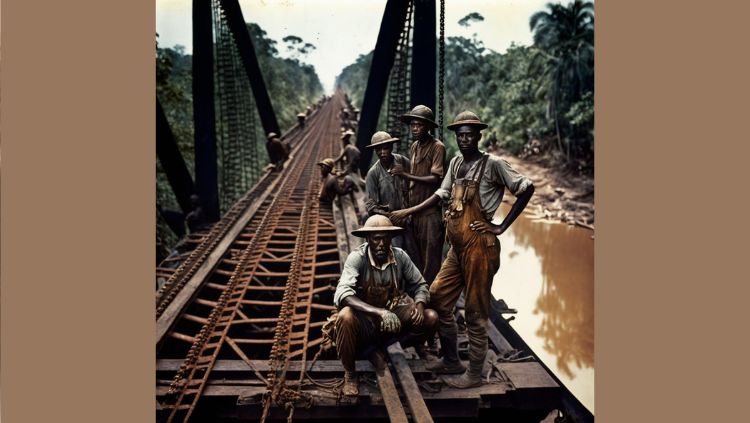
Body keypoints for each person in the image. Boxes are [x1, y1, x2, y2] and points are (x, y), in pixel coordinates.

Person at [390, 111, 535, 388]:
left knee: (475, 311)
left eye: (470, 134)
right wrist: (410, 209)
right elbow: (443, 193)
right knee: (438, 297)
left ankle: (475, 374)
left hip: (480, 248)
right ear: (456, 137)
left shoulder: (493, 165)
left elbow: (526, 188)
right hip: (456, 248)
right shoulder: (456, 163)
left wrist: (501, 226)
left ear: (479, 135)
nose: (465, 139)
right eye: (460, 135)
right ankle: (452, 360)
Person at [332, 215, 438, 396]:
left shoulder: (400, 256)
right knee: (345, 317)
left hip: (392, 315)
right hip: (365, 320)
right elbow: (342, 295)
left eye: (385, 238)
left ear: (391, 238)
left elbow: (420, 285)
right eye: (376, 238)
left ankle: (393, 348)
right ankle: (350, 374)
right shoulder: (357, 258)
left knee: (430, 317)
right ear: (368, 239)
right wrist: (378, 312)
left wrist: (419, 306)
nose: (381, 243)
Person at [389, 105, 447, 286]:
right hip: (414, 212)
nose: (414, 128)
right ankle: (420, 293)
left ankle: (432, 300)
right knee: (417, 256)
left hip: (429, 213)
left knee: (431, 259)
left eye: (419, 125)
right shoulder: (414, 146)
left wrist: (405, 174)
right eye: (412, 125)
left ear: (428, 127)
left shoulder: (437, 147)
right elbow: (415, 178)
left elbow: (435, 179)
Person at [363, 131, 418, 257]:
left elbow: (415, 183)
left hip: (408, 218)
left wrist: (407, 212)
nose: (382, 152)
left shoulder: (403, 161)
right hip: (389, 223)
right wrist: (391, 216)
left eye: (385, 148)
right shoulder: (373, 173)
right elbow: (371, 206)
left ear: (391, 147)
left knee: (415, 255)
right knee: (396, 254)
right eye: (378, 149)